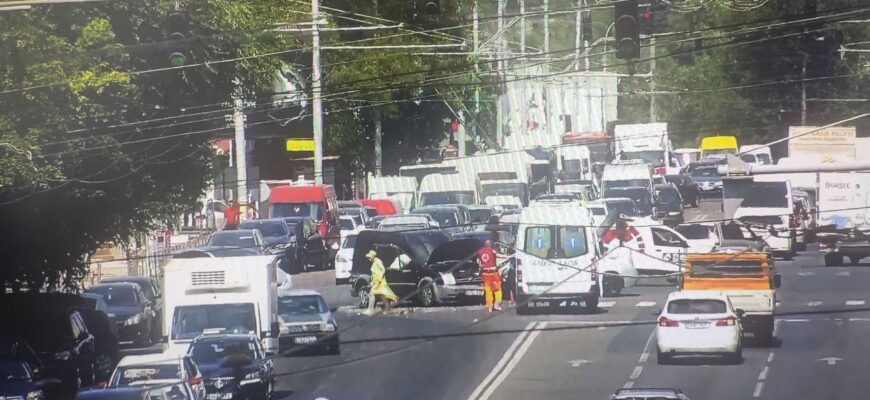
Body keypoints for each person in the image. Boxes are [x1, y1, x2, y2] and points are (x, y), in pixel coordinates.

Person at [366, 249, 397, 315]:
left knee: (381, 295)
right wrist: (372, 280)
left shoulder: (377, 261)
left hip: (380, 281)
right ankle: (372, 309)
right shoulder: (374, 262)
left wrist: (380, 278)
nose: (369, 259)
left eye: (369, 258)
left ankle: (384, 308)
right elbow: (374, 272)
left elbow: (383, 269)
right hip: (376, 281)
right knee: (376, 294)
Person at [478, 240, 503, 312]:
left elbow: (479, 262)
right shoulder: (492, 251)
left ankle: (490, 306)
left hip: (485, 274)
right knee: (497, 289)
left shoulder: (480, 252)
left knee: (488, 290)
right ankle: (497, 305)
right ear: (491, 245)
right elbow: (500, 256)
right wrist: (509, 256)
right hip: (493, 273)